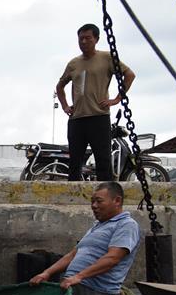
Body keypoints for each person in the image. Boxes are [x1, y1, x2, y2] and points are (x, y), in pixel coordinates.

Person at [29, 182, 141, 295]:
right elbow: (73, 254)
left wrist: (79, 276)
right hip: (74, 290)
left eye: (99, 201)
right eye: (92, 201)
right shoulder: (97, 226)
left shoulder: (126, 225)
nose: (94, 206)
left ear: (117, 201)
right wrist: (47, 272)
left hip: (97, 294)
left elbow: (113, 258)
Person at [56, 23, 135, 182]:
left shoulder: (106, 58)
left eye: (88, 38)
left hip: (98, 117)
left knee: (103, 160)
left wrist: (117, 99)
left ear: (96, 39)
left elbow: (130, 75)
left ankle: (104, 195)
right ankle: (74, 196)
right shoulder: (73, 64)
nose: (84, 42)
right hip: (77, 118)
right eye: (81, 39)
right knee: (75, 161)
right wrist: (65, 105)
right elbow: (60, 86)